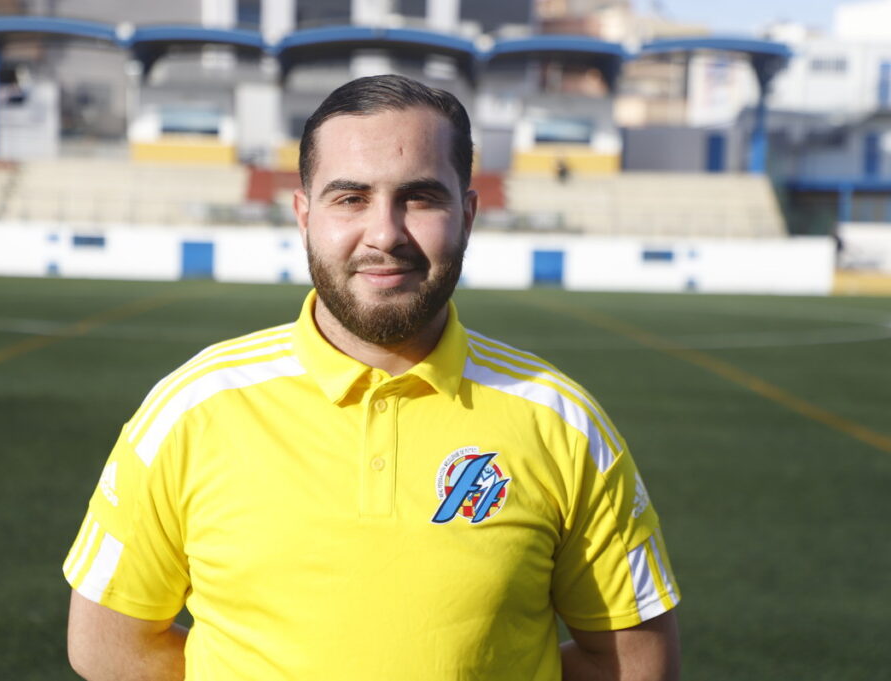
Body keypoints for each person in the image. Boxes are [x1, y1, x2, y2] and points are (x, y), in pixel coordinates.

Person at [64, 74, 681, 681]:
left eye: (419, 197)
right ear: (304, 214)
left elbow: (634, 664)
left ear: (467, 213)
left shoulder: (561, 420)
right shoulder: (191, 409)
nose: (385, 234)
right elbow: (106, 646)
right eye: (350, 198)